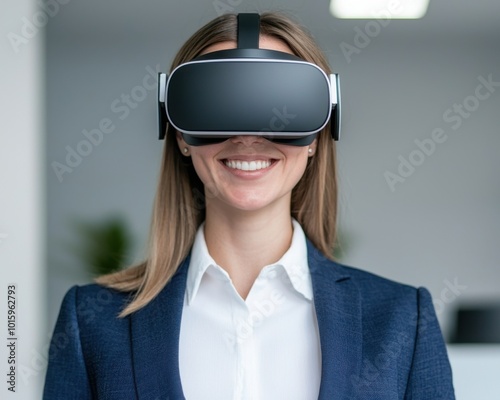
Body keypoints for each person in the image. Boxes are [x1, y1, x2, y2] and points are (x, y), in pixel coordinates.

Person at [43, 12, 455, 400]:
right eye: (217, 105)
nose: (247, 136)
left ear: (319, 132)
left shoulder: (402, 319)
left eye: (282, 105)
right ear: (179, 133)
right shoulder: (93, 321)